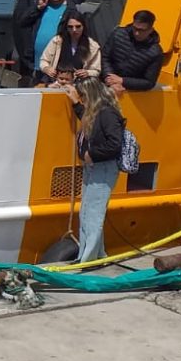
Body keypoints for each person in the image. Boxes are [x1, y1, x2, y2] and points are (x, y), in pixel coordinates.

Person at [69, 76, 125, 262]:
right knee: (87, 212)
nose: (82, 100)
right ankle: (96, 255)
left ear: (90, 95)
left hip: (103, 168)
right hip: (94, 168)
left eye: (83, 96)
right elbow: (88, 119)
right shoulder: (96, 112)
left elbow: (115, 144)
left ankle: (88, 259)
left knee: (93, 214)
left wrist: (92, 154)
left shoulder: (107, 114)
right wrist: (75, 103)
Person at [13, 0, 69, 81]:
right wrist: (38, 7)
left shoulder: (70, 10)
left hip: (58, 65)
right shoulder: (41, 8)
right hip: (37, 64)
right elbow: (21, 22)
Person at [102, 9, 164, 94]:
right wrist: (109, 78)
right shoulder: (118, 34)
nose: (137, 33)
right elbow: (105, 57)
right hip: (106, 83)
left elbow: (149, 82)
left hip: (131, 91)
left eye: (142, 30)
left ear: (151, 30)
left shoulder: (156, 52)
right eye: (135, 28)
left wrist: (122, 81)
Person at [37, 5, 101, 86]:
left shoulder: (93, 46)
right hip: (56, 83)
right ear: (66, 28)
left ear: (84, 27)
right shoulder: (57, 41)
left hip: (80, 85)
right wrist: (46, 68)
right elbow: (44, 60)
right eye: (70, 27)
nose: (74, 30)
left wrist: (87, 72)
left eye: (78, 26)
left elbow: (96, 70)